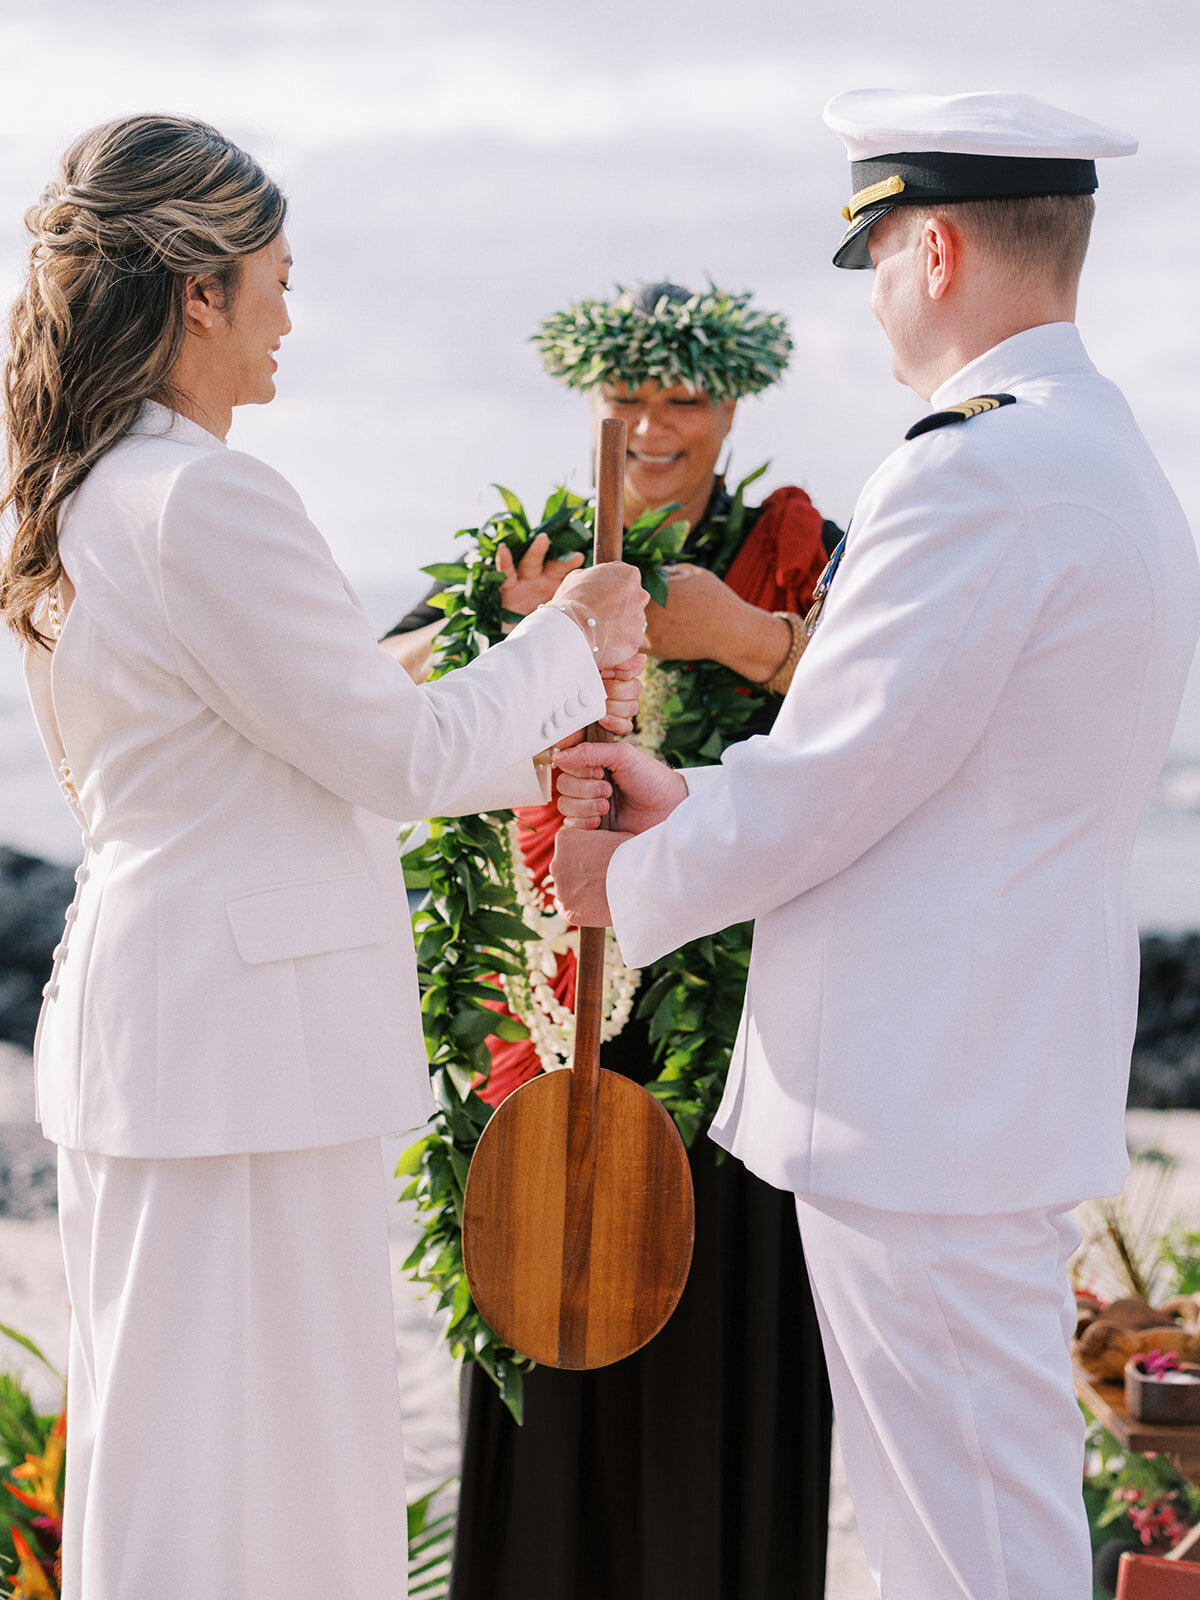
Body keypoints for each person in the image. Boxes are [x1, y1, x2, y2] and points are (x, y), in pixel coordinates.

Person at [551, 88, 1200, 1600]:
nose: (879, 303)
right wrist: (681, 797)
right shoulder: (1105, 451)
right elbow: (932, 776)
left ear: (939, 247)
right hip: (987, 1081)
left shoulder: (968, 463)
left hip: (926, 1103)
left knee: (967, 1548)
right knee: (974, 1521)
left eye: (880, 254)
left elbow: (840, 779)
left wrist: (624, 878)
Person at [0, 114, 648, 1600]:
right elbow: (398, 762)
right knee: (270, 1470)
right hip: (241, 1056)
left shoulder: (89, 493)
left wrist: (475, 654)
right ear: (201, 293)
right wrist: (577, 637)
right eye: (276, 277)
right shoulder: (210, 497)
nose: (292, 312)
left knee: (176, 1460)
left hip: (165, 1028)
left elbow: (269, 732)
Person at [385, 282, 837, 1600]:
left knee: (723, 1381)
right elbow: (373, 698)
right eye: (625, 399)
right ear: (587, 399)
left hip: (739, 1047)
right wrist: (523, 639)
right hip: (546, 1011)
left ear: (734, 403)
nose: (652, 425)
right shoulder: (539, 550)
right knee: (554, 1354)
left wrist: (741, 641)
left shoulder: (795, 553)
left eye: (685, 398)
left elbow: (897, 706)